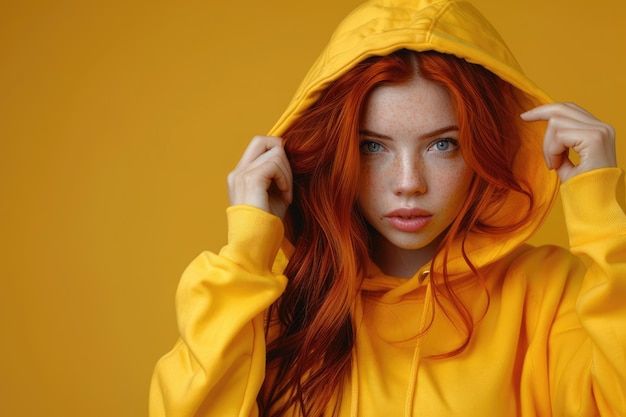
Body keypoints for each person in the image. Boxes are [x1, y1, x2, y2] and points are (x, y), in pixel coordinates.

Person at [149, 0, 625, 416]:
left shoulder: (550, 293)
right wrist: (247, 252)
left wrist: (601, 214)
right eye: (372, 147)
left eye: (443, 145)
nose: (408, 185)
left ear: (484, 147)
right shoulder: (267, 300)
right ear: (335, 153)